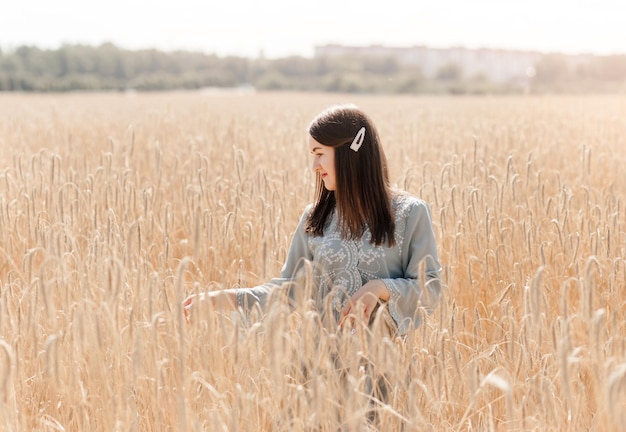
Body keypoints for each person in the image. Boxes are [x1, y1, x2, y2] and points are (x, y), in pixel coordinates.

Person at [183, 103, 442, 336]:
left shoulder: (410, 213)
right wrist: (220, 299)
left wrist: (379, 288)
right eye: (312, 155)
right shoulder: (316, 218)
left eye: (319, 153)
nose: (314, 166)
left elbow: (430, 289)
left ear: (350, 150)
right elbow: (287, 292)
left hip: (384, 372)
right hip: (319, 372)